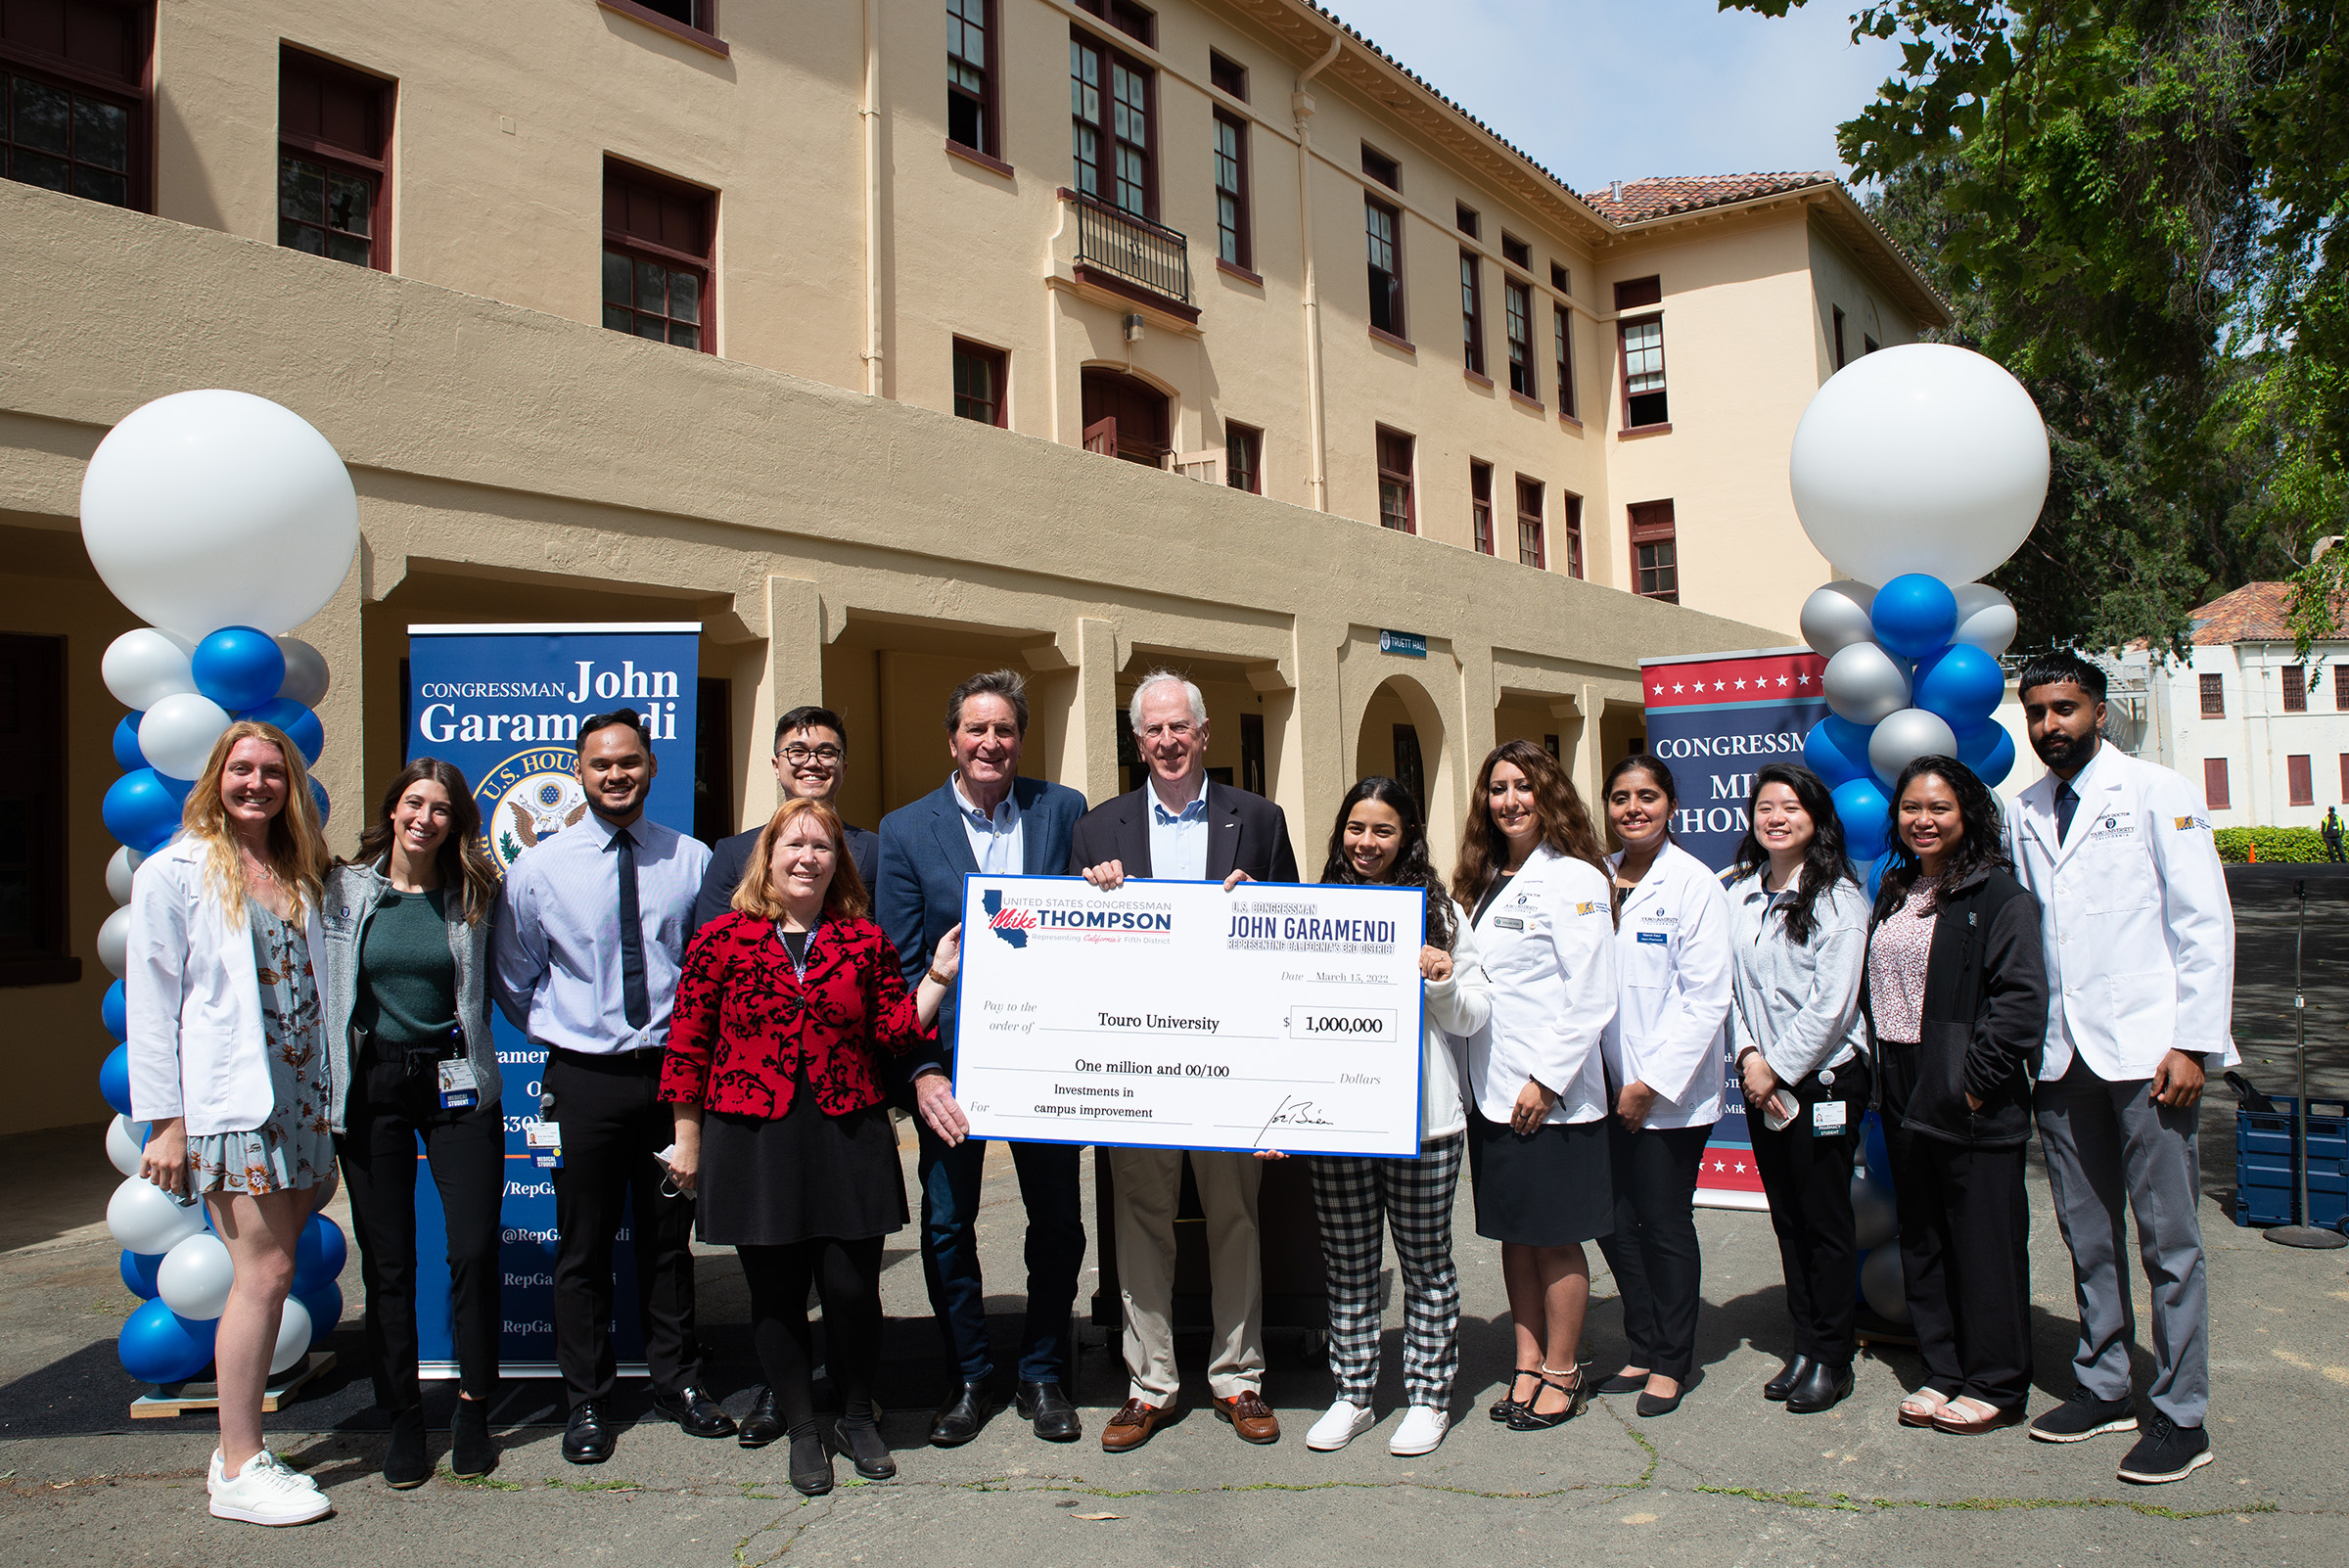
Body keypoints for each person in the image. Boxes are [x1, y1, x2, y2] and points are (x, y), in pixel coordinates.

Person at [664, 798, 964, 1497]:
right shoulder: (721, 941)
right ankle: (803, 1429)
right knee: (774, 1295)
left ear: (839, 863)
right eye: (793, 845)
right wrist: (687, 1138)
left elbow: (895, 1031)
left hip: (846, 1131)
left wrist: (939, 977)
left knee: (852, 1290)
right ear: (766, 858)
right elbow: (687, 1045)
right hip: (751, 1136)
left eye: (822, 847)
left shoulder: (863, 942)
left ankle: (857, 1417)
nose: (807, 857)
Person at [2012, 652, 2238, 1484]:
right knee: (2086, 1231)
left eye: (2065, 709)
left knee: (2169, 1239)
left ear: (2099, 712)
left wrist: (2192, 1041)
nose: (2049, 727)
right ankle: (2105, 1382)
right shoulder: (2024, 807)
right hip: (2063, 1055)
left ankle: (2181, 1413)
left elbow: (2202, 922)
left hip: (2150, 1054)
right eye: (2037, 712)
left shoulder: (2156, 791)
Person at [490, 708, 731, 1464]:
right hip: (584, 1081)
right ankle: (587, 1401)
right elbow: (513, 977)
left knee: (668, 1243)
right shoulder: (538, 869)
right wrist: (570, 1031)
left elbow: (706, 966)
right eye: (601, 765)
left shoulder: (691, 860)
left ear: (651, 768)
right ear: (581, 774)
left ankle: (677, 1382)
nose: (616, 775)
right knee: (583, 1247)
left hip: (670, 1077)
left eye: (629, 762)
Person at [1070, 670, 1301, 1452]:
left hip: (1230, 1056)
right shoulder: (1099, 830)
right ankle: (1150, 1384)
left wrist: (1260, 905)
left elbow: (1294, 932)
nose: (1168, 742)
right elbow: (1076, 950)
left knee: (1235, 1217)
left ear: (1204, 734)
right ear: (1137, 743)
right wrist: (1092, 893)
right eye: (1153, 732)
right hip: (1137, 1060)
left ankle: (1239, 1378)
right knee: (1141, 1221)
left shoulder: (1258, 820)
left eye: (1181, 728)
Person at [125, 721, 338, 1526]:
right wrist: (168, 1123)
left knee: (275, 1263)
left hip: (304, 1098)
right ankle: (238, 1461)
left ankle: (245, 1451)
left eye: (272, 772)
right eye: (242, 770)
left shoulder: (299, 867)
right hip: (231, 1102)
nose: (257, 784)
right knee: (265, 1271)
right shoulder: (173, 872)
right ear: (217, 776)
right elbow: (152, 1003)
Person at [874, 669, 1089, 1447]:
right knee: (945, 1224)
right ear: (953, 740)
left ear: (1020, 739)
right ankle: (967, 1374)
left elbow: (1100, 928)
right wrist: (921, 1070)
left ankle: (1041, 1372)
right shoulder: (904, 830)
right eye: (976, 729)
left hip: (1047, 1062)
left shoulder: (1063, 810)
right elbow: (897, 966)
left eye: (1004, 730)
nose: (990, 743)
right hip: (951, 1068)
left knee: (1059, 1222)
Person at [323, 759, 507, 1487]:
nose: (424, 818)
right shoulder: (344, 891)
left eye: (440, 808)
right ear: (392, 809)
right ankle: (403, 1418)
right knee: (390, 1264)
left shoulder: (475, 893)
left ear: (456, 821)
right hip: (373, 1088)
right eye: (413, 803)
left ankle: (472, 1409)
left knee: (472, 1249)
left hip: (458, 1081)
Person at [1303, 777, 1492, 1457]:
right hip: (1339, 1122)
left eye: (1383, 830)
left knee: (1425, 1265)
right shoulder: (1314, 909)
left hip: (1424, 1125)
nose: (1366, 842)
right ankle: (1353, 1394)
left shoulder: (1441, 913)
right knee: (1349, 1265)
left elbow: (1475, 1013)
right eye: (1356, 828)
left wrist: (1441, 980)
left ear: (1407, 836)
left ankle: (1428, 1398)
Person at [1865, 756, 2047, 1436]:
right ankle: (1944, 1369)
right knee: (1926, 1236)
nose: (1923, 820)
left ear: (1966, 812)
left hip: (1970, 1092)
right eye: (1911, 808)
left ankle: (1996, 1381)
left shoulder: (1998, 896)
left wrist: (1971, 1087)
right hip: (1904, 1083)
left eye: (1938, 807)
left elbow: (2021, 1004)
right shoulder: (1895, 890)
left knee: (1984, 1241)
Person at [1449, 739, 1617, 1433]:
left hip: (1550, 1098)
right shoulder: (1483, 879)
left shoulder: (1575, 878)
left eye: (1522, 786)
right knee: (1515, 1237)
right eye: (1497, 788)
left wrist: (1546, 1081)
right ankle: (1525, 1361)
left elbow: (1592, 996)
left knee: (1554, 1239)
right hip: (1490, 1089)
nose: (1510, 800)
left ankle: (1563, 1368)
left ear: (1547, 794)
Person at [1725, 761, 1871, 1415]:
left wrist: (1775, 1067)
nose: (1775, 817)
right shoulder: (1738, 894)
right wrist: (1749, 1054)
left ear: (1816, 820)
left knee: (1825, 1218)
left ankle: (1832, 1356)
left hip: (1824, 1079)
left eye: (1790, 808)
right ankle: (1805, 1344)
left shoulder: (1840, 897)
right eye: (1765, 808)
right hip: (1763, 1077)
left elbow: (1833, 1006)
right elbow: (1727, 990)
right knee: (1787, 1217)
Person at [1594, 756, 1731, 1419]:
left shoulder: (1693, 883)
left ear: (1670, 805)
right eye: (1620, 798)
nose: (1633, 808)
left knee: (1663, 1223)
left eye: (1646, 796)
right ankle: (1641, 1345)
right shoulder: (1596, 876)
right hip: (1600, 1086)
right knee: (1614, 1223)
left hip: (1666, 1094)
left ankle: (1672, 1361)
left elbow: (1707, 999)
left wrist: (1650, 1082)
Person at [692, 706, 879, 931]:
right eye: (798, 752)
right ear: (776, 766)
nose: (812, 763)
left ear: (844, 768)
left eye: (827, 754)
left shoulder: (877, 851)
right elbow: (708, 947)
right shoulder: (733, 854)